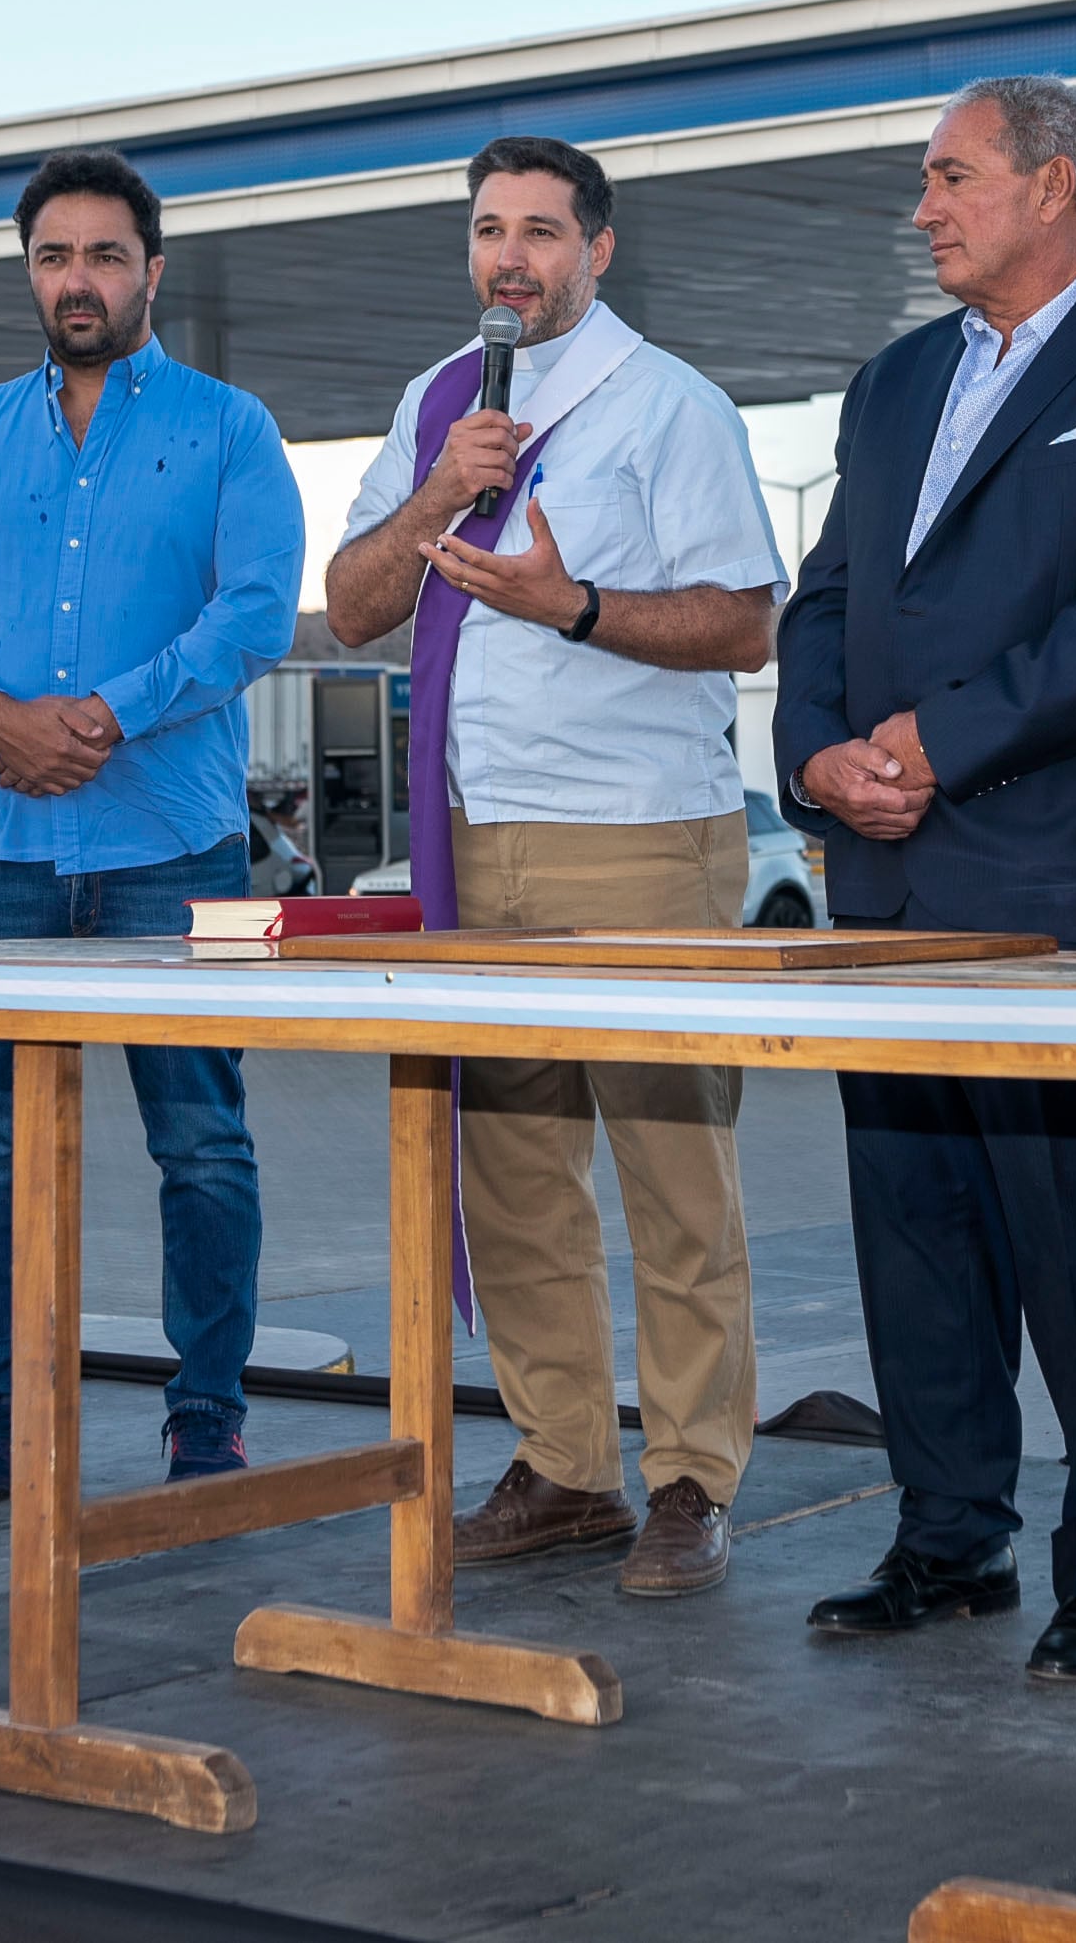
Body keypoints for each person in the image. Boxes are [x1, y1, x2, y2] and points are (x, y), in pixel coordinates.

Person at [773, 76, 1076, 1679]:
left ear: (1053, 185)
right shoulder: (895, 377)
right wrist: (819, 757)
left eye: (948, 176)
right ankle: (947, 1533)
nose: (923, 208)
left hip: (1058, 880)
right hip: (888, 885)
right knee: (912, 1228)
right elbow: (824, 600)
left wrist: (935, 744)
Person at [324, 135, 784, 1598]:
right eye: (484, 231)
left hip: (641, 830)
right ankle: (566, 1462)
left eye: (536, 231)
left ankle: (693, 1476)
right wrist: (434, 494)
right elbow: (349, 607)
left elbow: (740, 622)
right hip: (474, 832)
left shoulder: (671, 404)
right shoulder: (434, 403)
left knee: (672, 1171)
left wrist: (569, 604)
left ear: (596, 248)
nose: (506, 258)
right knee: (512, 1173)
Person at [0, 148, 304, 1499]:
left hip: (187, 852)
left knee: (206, 1137)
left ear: (150, 271)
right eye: (56, 255)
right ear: (29, 271)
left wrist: (105, 714)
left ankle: (210, 1410)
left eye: (105, 255)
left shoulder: (231, 426)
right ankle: (13, 1405)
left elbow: (252, 612)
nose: (80, 279)